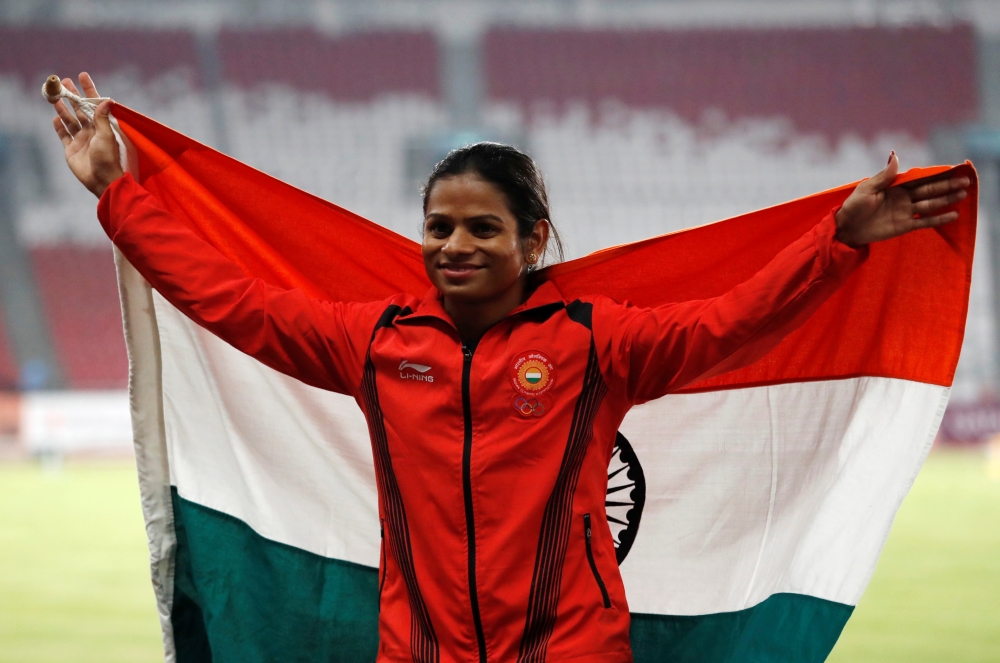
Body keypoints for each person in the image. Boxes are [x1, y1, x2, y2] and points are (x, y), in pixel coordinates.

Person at [51, 72, 969, 663]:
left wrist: (837, 243)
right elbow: (230, 300)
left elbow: (733, 323)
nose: (455, 245)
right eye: (439, 227)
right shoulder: (375, 342)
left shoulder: (592, 341)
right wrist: (116, 194)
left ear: (532, 238)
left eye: (482, 227)